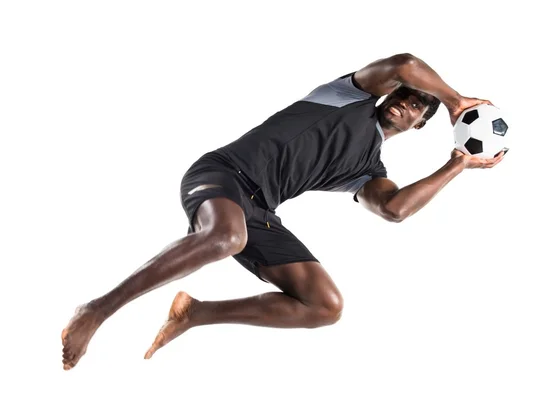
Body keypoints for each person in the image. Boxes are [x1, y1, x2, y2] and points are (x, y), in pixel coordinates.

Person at [61, 53, 506, 370]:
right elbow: (405, 63)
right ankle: (97, 310)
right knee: (225, 237)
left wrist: (458, 163)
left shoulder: (369, 170)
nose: (404, 103)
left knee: (325, 306)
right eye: (405, 96)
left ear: (418, 125)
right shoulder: (345, 96)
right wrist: (452, 98)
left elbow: (394, 210)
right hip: (224, 173)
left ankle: (195, 314)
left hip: (259, 210)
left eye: (415, 107)